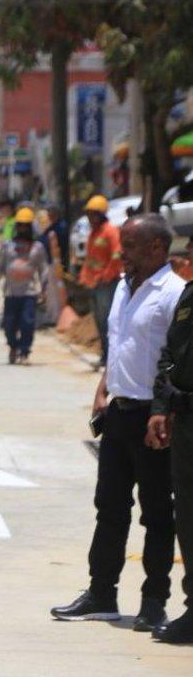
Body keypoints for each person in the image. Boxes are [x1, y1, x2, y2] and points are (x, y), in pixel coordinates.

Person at [52, 214, 180, 633]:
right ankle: (101, 593)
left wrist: (164, 410)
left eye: (130, 246)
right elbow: (120, 344)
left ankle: (154, 602)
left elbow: (177, 361)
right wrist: (103, 388)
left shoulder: (174, 293)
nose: (121, 253)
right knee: (109, 508)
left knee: (157, 514)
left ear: (157, 249)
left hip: (154, 420)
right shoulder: (125, 287)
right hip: (119, 414)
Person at [146, 256, 193, 644]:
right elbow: (169, 355)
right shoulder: (189, 296)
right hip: (186, 424)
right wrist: (162, 407)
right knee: (188, 517)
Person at [0, 207, 49, 365]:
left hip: (29, 293)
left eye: (26, 225)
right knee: (9, 325)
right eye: (20, 225)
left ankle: (24, 352)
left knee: (27, 323)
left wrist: (44, 289)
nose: (23, 229)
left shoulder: (38, 248)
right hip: (11, 293)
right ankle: (12, 346)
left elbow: (44, 269)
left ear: (30, 227)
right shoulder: (7, 246)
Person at [78, 194, 123, 369]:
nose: (90, 218)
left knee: (107, 321)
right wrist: (84, 276)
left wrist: (107, 274)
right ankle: (105, 355)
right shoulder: (93, 233)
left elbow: (117, 254)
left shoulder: (110, 231)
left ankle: (111, 357)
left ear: (101, 214)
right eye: (88, 214)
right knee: (99, 321)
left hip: (106, 284)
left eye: (92, 214)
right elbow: (90, 259)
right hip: (94, 284)